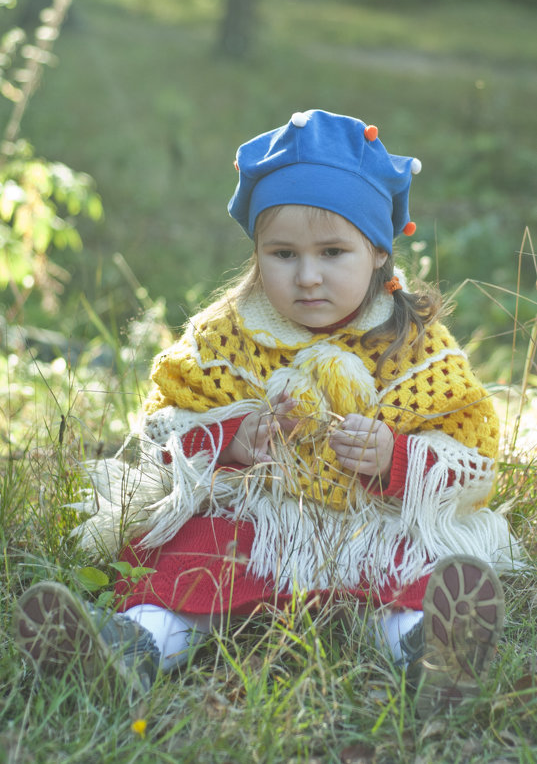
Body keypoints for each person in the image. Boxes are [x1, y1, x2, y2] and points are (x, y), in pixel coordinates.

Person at [14, 109, 521, 716]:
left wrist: (396, 456)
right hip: (255, 519)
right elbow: (161, 432)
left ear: (379, 252)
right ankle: (129, 647)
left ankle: (432, 655)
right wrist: (230, 439)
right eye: (282, 254)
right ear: (257, 251)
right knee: (192, 559)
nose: (308, 277)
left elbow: (471, 459)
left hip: (371, 523)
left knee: (403, 572)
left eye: (334, 252)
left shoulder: (414, 344)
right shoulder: (225, 335)